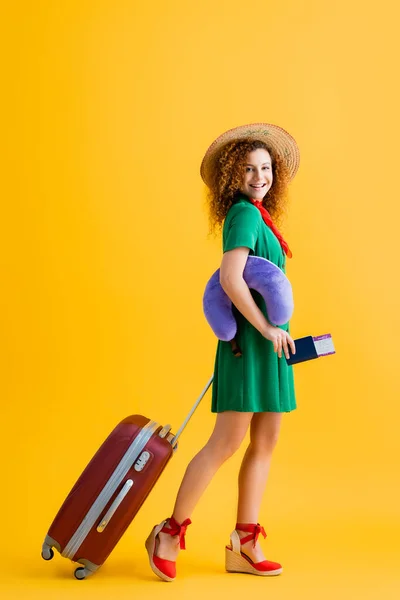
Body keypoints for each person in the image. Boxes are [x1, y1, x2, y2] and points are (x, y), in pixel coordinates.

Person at [145, 123, 300, 581]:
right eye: (249, 169)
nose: (259, 176)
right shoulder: (244, 215)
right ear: (234, 175)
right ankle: (168, 533)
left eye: (266, 167)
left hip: (271, 342)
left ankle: (245, 543)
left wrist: (278, 332)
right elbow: (231, 280)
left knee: (265, 443)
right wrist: (269, 328)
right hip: (249, 343)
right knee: (226, 442)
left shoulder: (260, 213)